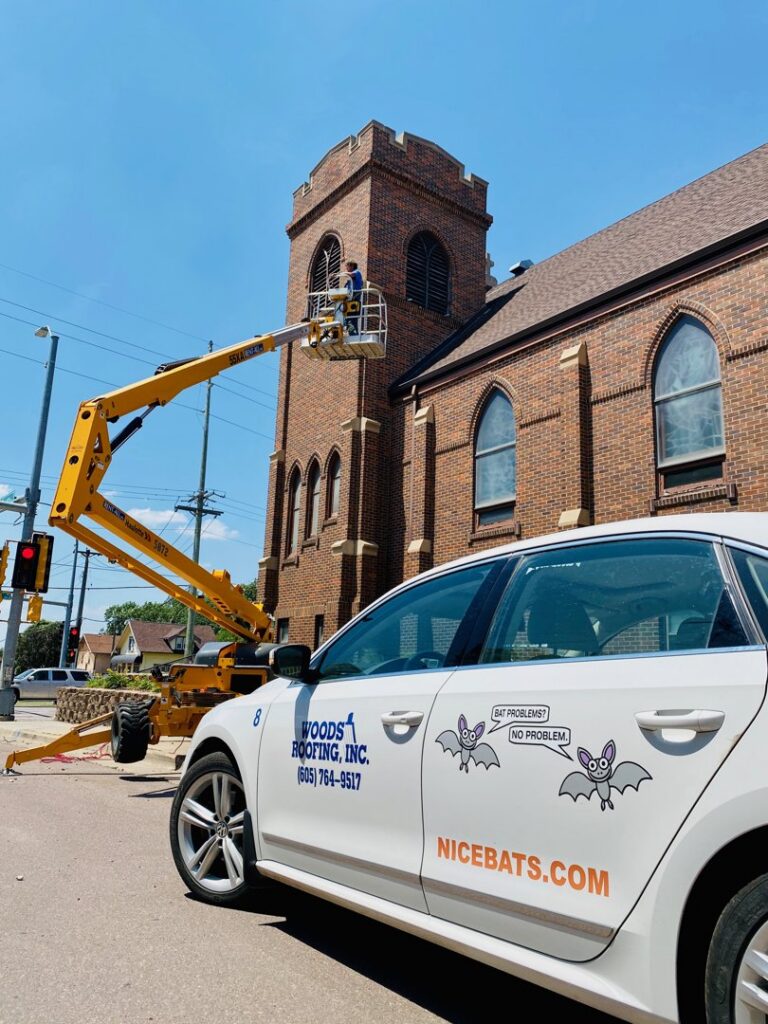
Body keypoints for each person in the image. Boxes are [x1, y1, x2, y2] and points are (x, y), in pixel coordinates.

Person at [344, 260, 364, 335]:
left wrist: (340, 274)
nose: (346, 268)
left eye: (347, 266)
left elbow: (352, 274)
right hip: (349, 302)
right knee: (348, 320)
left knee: (351, 320)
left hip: (354, 300)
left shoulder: (357, 272)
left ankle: (354, 334)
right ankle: (352, 333)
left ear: (352, 266)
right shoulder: (349, 282)